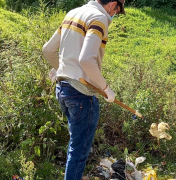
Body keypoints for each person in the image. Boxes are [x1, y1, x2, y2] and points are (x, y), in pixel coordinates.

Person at [42, 0, 125, 179]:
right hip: (80, 94)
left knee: (75, 146)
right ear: (112, 4)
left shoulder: (73, 13)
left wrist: (61, 69)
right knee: (78, 152)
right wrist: (106, 88)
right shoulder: (99, 18)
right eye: (118, 9)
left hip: (62, 89)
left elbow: (48, 49)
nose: (116, 14)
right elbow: (86, 60)